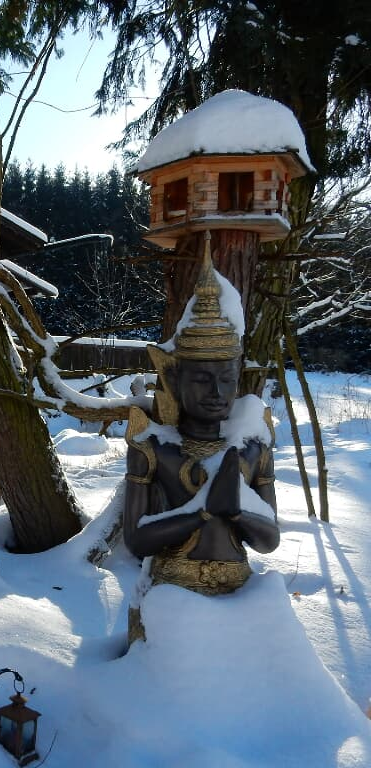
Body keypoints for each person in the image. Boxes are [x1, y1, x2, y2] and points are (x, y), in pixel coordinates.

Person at [124, 243, 279, 640]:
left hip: (242, 591)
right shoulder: (153, 447)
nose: (216, 391)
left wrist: (239, 512)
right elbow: (137, 541)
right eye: (201, 378)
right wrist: (204, 511)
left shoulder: (254, 447)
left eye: (226, 379)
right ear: (174, 379)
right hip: (174, 590)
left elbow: (269, 539)